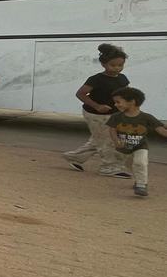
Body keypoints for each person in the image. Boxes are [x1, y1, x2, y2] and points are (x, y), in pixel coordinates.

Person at [62, 44, 130, 176]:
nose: (117, 68)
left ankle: (74, 157)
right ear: (103, 64)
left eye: (120, 65)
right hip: (95, 114)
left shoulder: (123, 78)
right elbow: (80, 94)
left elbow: (126, 93)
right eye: (113, 65)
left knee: (98, 139)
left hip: (113, 114)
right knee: (107, 140)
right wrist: (97, 106)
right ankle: (108, 167)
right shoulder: (96, 79)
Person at [107, 87, 167, 197]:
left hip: (140, 146)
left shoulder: (146, 117)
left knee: (140, 163)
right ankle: (139, 180)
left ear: (132, 102)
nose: (115, 105)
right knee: (132, 165)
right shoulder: (116, 117)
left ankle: (141, 185)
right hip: (123, 149)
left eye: (118, 102)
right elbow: (112, 129)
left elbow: (161, 130)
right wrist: (116, 140)